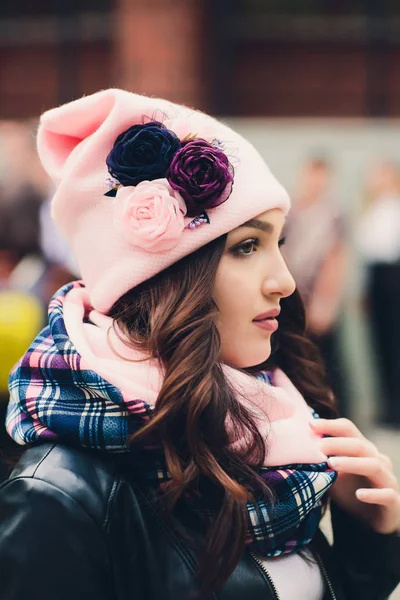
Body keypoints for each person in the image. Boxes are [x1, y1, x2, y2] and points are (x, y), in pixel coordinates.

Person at [0, 89, 399, 600]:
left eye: (279, 241)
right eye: (247, 246)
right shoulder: (60, 497)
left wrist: (368, 539)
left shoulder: (279, 428)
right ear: (165, 277)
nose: (284, 281)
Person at [283, 158, 349, 417]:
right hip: (294, 298)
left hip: (321, 301)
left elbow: (336, 258)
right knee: (298, 360)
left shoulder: (332, 214)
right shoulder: (293, 209)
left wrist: (325, 303)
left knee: (328, 364)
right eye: (313, 175)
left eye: (322, 177)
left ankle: (336, 415)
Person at [356, 161, 400, 426]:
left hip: (394, 279)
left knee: (395, 344)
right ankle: (387, 405)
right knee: (380, 344)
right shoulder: (371, 210)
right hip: (376, 280)